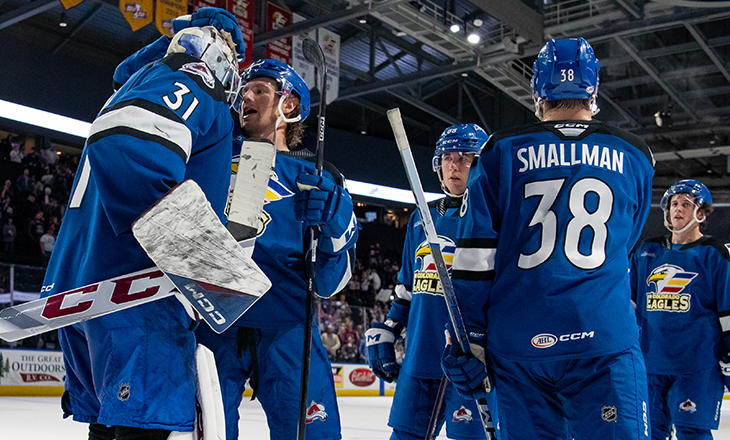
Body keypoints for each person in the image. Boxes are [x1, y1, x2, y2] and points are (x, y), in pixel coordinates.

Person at [43, 10, 244, 439]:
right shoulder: (196, 78)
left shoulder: (131, 87)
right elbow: (132, 146)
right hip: (137, 292)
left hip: (85, 287)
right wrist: (209, 273)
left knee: (109, 428)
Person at [443, 38, 654, 439]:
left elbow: (474, 259)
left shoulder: (500, 150)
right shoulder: (634, 153)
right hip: (603, 338)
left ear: (537, 91)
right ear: (593, 91)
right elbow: (625, 242)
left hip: (518, 343)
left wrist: (468, 338)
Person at [197, 59, 357, 439]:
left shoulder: (319, 176)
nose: (245, 96)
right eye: (243, 90)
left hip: (288, 327)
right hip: (213, 322)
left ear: (289, 105)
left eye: (260, 90)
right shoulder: (210, 159)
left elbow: (330, 283)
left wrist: (334, 233)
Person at [368, 124, 497, 440]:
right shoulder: (419, 219)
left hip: (471, 362)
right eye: (447, 158)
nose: (454, 165)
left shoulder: (496, 218)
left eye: (465, 158)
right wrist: (389, 328)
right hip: (419, 358)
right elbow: (408, 289)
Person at [631, 179, 730, 440]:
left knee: (692, 433)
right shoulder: (646, 250)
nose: (677, 209)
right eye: (674, 204)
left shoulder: (719, 253)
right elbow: (627, 303)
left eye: (686, 204)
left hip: (699, 364)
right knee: (648, 433)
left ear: (701, 213)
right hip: (650, 362)